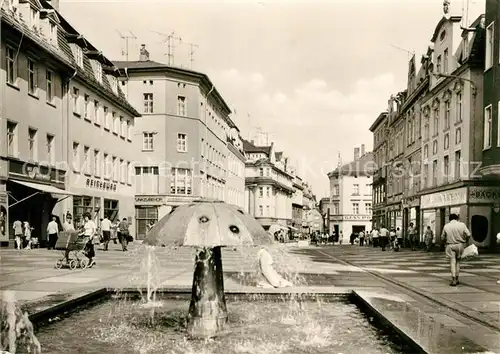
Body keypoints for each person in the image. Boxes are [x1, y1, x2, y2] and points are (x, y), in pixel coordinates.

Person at [441, 214, 471, 286]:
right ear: (457, 218)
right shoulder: (462, 225)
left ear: (449, 219)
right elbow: (469, 234)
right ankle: (457, 279)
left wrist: (445, 241)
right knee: (458, 262)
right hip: (460, 245)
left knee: (452, 262)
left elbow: (442, 237)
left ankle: (453, 279)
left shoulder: (446, 226)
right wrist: (465, 240)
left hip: (450, 245)